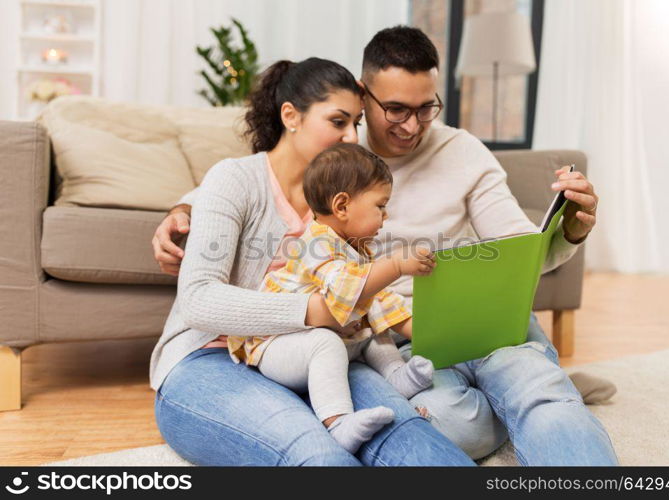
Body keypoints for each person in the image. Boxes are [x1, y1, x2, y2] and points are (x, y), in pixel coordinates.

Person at [154, 27, 618, 465]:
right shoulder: (318, 176)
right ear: (363, 93)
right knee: (446, 429)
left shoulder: (451, 154)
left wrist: (569, 231)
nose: (411, 125)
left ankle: (539, 393)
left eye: (426, 108)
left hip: (438, 323)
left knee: (529, 392)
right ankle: (530, 394)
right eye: (395, 109)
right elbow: (243, 191)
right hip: (372, 336)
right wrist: (183, 210)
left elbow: (520, 247)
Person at [149, 57, 476, 466]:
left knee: (404, 432)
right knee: (316, 452)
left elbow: (367, 291)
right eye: (338, 122)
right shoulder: (236, 180)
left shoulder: (346, 206)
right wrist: (314, 312)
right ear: (291, 116)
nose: (352, 137)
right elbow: (198, 300)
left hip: (325, 350)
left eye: (356, 123)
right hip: (210, 356)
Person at [228, 143, 438, 454]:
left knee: (372, 327)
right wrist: (395, 265)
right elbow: (345, 291)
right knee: (327, 341)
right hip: (276, 345)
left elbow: (381, 301)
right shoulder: (316, 243)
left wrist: (432, 336)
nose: (386, 215)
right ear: (341, 206)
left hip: (314, 340)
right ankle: (338, 422)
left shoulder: (356, 249)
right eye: (380, 206)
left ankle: (396, 375)